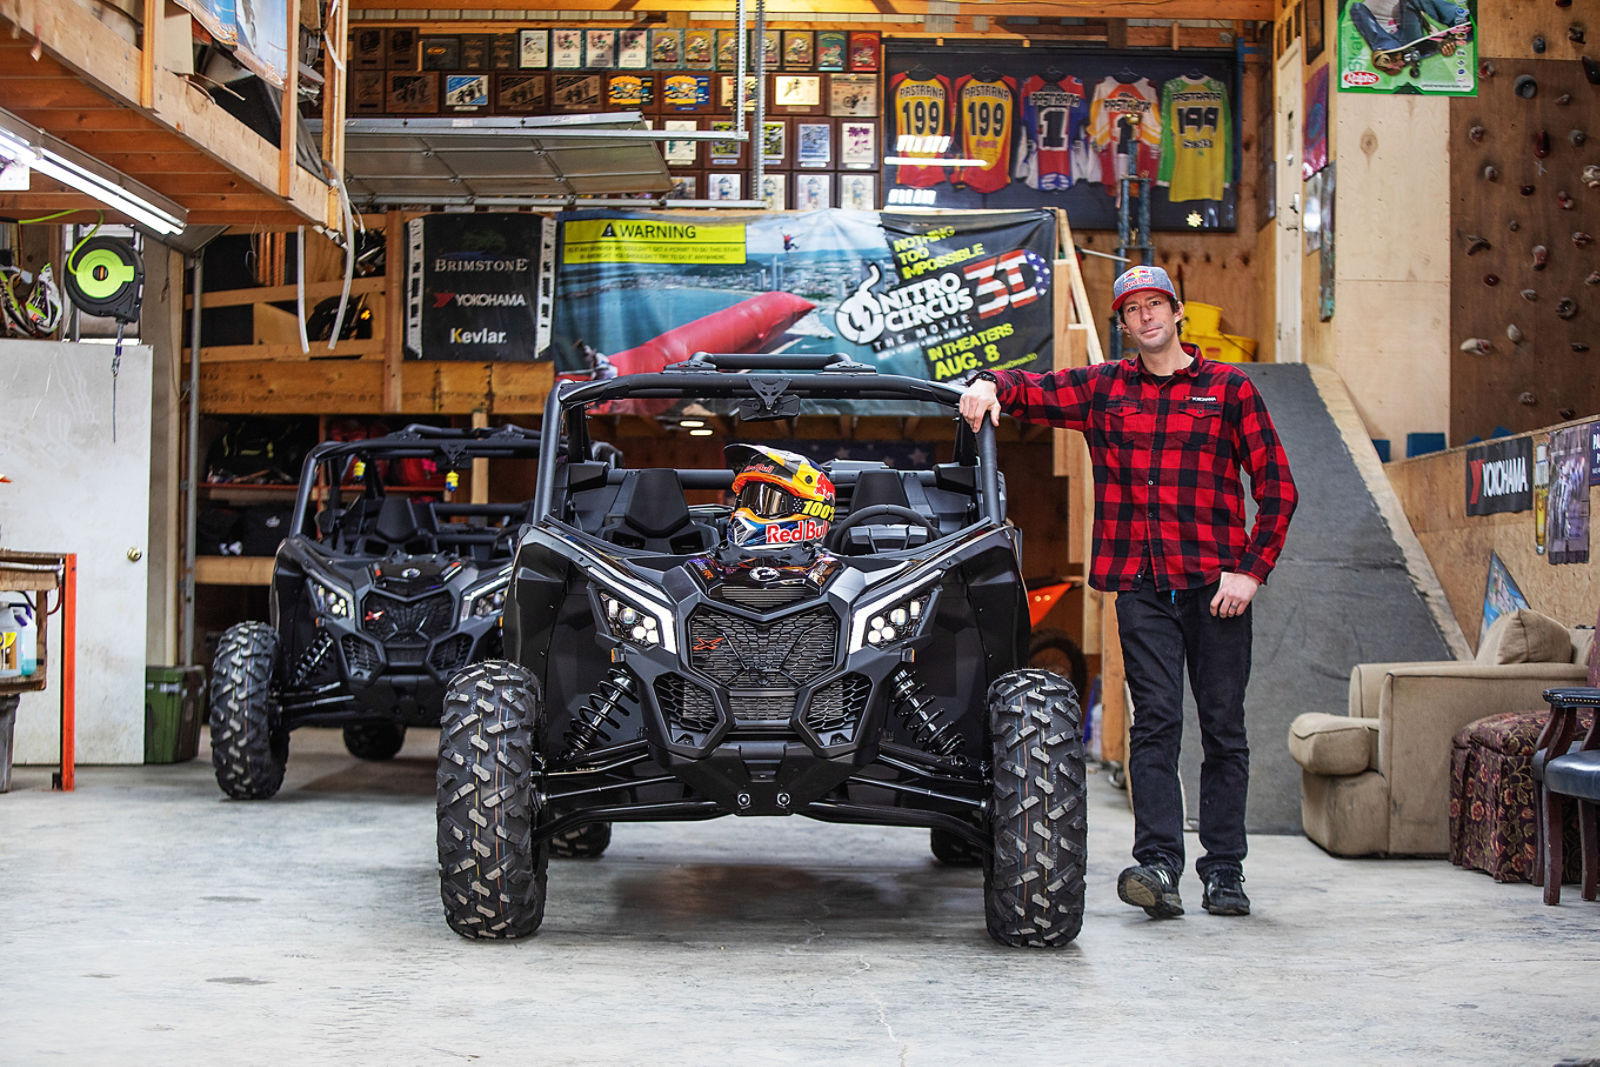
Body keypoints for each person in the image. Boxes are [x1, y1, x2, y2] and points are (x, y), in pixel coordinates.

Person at [959, 264, 1298, 920]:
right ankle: (1159, 864)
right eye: (1132, 310)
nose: (1145, 317)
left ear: (1176, 312)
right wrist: (987, 384)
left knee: (1224, 726)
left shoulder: (1228, 388)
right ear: (1123, 324)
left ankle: (1224, 868)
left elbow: (1277, 485)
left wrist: (1252, 569)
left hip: (1216, 587)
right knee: (1156, 723)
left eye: (1154, 306)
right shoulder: (1104, 389)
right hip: (1141, 587)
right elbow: (1034, 389)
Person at [725, 444, 836, 549]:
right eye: (745, 500)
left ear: (812, 508)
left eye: (768, 502)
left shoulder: (833, 567)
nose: (744, 514)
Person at [1349, 0, 1472, 74]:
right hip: (1389, 45)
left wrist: (1440, 44)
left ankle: (1458, 19)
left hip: (1407, 38)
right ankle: (1386, 51)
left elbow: (1423, 24)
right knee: (1356, 8)